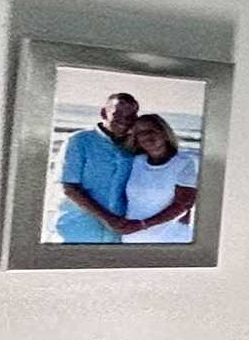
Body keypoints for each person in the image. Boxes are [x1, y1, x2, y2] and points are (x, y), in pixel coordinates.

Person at [52, 89, 142, 243]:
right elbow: (69, 188)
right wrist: (108, 219)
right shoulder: (79, 141)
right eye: (118, 114)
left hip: (117, 237)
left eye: (130, 116)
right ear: (103, 113)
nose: (124, 120)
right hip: (76, 232)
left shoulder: (136, 148)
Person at [117, 114, 200, 245]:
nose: (146, 135)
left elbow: (183, 204)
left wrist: (142, 224)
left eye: (151, 130)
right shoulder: (136, 162)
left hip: (171, 240)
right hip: (132, 239)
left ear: (164, 133)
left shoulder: (184, 163)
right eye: (140, 133)